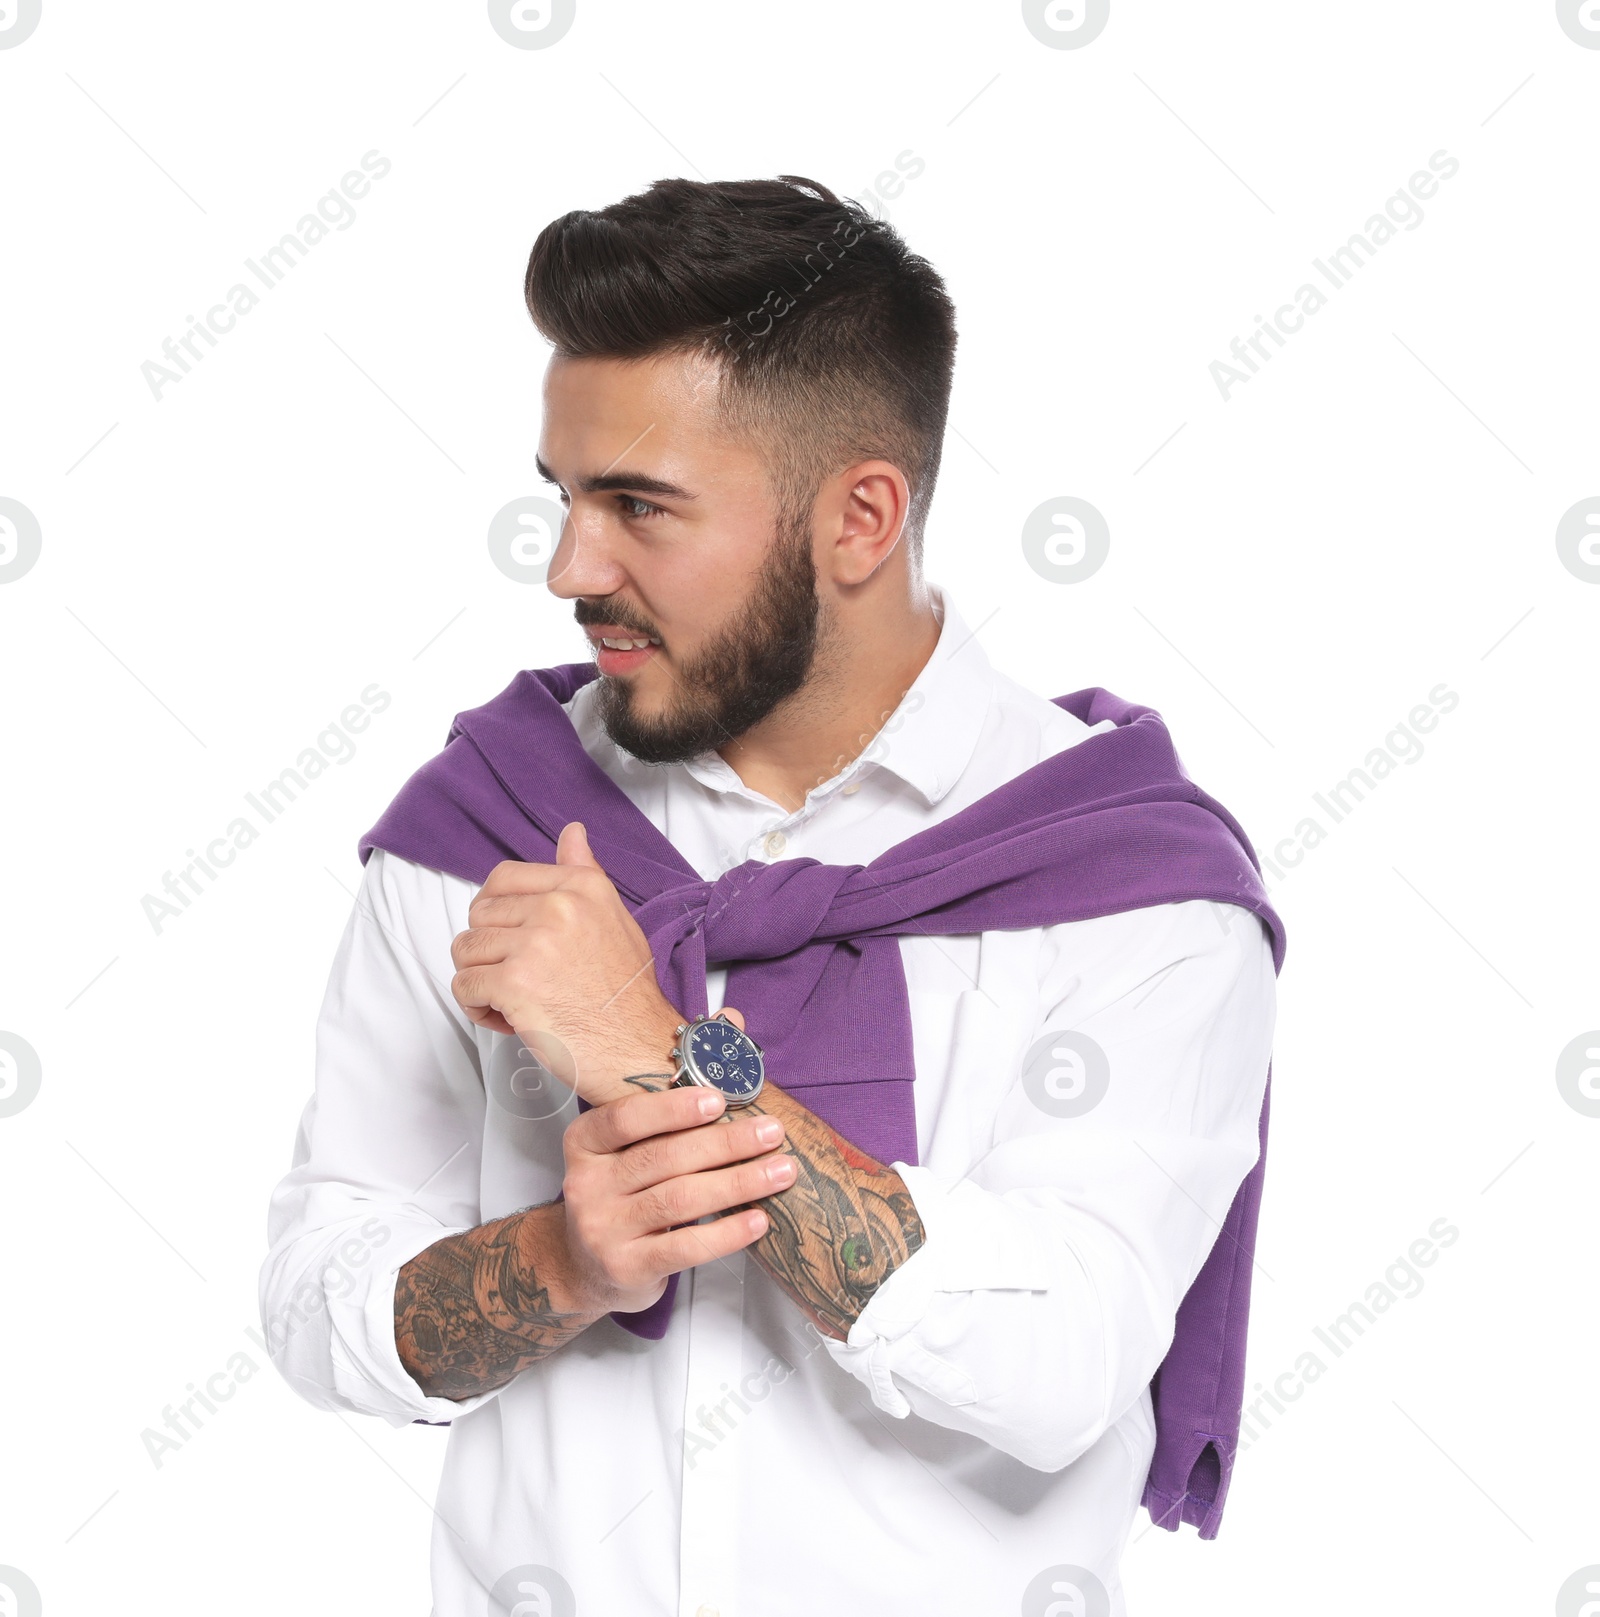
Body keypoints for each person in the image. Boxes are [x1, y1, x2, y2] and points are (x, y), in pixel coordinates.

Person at [260, 175, 1281, 1617]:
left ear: (860, 517)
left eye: (640, 507)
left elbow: (1068, 1360)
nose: (568, 567)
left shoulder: (1132, 891)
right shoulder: (484, 832)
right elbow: (317, 1297)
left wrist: (651, 1056)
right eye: (562, 496)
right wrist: (558, 1256)